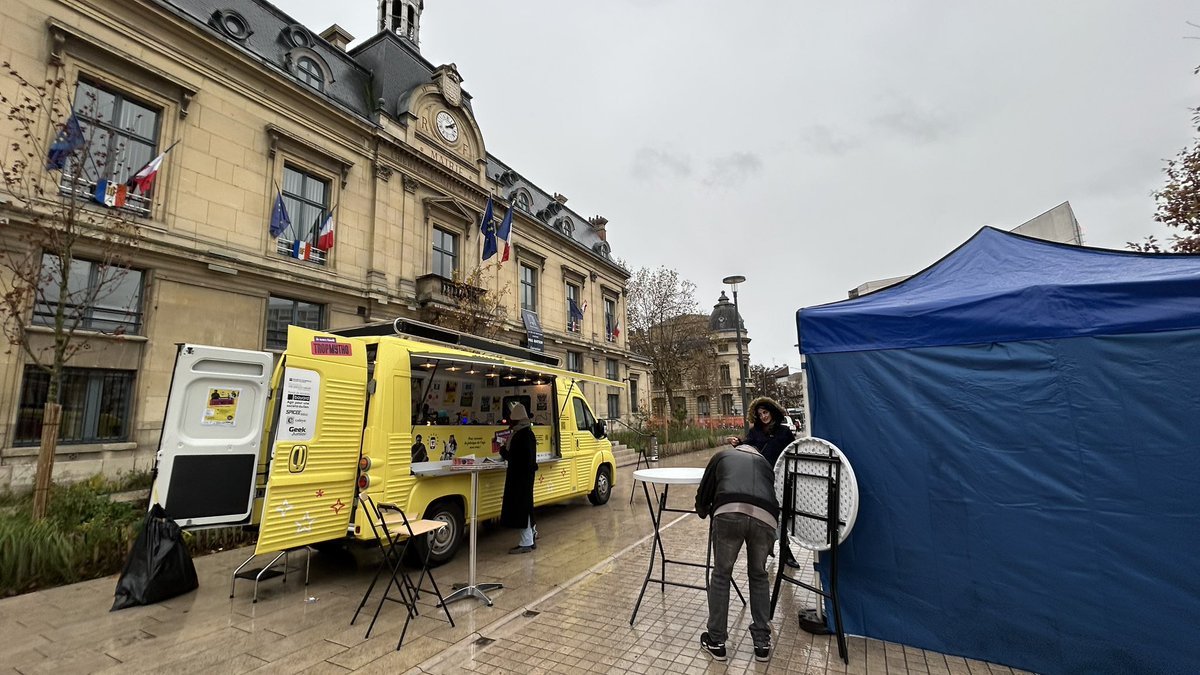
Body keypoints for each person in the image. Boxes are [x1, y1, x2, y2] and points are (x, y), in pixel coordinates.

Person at [695, 443, 780, 663]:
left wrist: (703, 510)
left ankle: (716, 641)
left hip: (729, 512)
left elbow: (704, 491)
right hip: (766, 519)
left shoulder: (722, 456)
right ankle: (762, 642)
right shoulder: (765, 464)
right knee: (759, 576)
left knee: (722, 575)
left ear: (738, 448)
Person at [725, 396, 800, 569]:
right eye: (760, 414)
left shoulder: (784, 432)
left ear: (772, 412)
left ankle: (780, 547)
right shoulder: (756, 432)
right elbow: (747, 447)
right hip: (761, 479)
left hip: (782, 479)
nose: (763, 416)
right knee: (769, 515)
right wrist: (737, 443)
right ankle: (783, 548)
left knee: (782, 515)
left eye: (765, 412)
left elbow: (794, 452)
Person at [499, 403, 537, 554]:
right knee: (526, 507)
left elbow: (514, 458)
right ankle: (531, 537)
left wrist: (503, 450)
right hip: (525, 476)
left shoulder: (520, 436)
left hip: (520, 477)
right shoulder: (528, 433)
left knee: (522, 509)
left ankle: (526, 542)